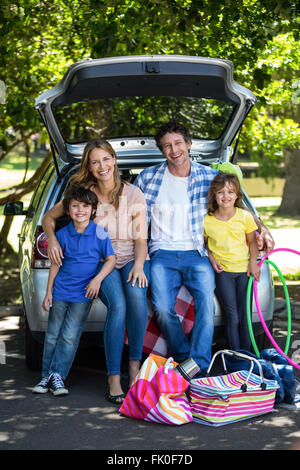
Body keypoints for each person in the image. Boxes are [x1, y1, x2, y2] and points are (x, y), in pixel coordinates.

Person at [135, 120, 275, 373]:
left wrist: (262, 228)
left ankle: (198, 363)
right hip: (161, 255)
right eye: (167, 146)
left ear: (188, 144)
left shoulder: (209, 177)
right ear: (161, 150)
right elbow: (133, 219)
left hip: (198, 254)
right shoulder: (147, 178)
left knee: (206, 305)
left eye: (178, 143)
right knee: (163, 309)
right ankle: (183, 356)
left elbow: (238, 208)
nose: (174, 150)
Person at [42, 139, 150, 404]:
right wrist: (52, 239)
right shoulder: (84, 194)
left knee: (137, 300)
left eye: (106, 159)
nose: (102, 166)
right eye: (95, 162)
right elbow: (48, 218)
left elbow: (141, 239)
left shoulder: (133, 193)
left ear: (114, 159)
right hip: (101, 263)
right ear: (89, 167)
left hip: (132, 258)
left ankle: (134, 368)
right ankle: (114, 378)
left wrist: (138, 264)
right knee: (119, 305)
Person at [32, 185, 116, 396]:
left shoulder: (99, 232)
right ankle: (46, 376)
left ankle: (58, 375)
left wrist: (97, 280)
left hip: (83, 295)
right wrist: (48, 291)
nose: (80, 210)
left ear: (93, 210)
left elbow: (111, 260)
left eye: (85, 206)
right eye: (75, 206)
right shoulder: (62, 234)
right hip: (60, 291)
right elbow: (55, 264)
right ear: (68, 211)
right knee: (52, 335)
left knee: (70, 336)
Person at [204, 172, 261, 351]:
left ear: (237, 195)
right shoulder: (208, 220)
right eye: (221, 192)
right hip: (224, 273)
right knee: (232, 316)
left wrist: (253, 263)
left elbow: (252, 242)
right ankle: (235, 356)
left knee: (245, 317)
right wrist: (211, 258)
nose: (226, 196)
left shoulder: (245, 217)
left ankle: (247, 356)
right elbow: (205, 245)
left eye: (230, 192)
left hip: (245, 271)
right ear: (214, 195)